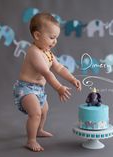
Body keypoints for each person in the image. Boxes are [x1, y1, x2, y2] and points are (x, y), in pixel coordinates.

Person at [13, 12, 82, 152]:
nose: (55, 41)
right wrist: (59, 87)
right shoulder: (34, 53)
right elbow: (47, 73)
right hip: (26, 89)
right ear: (37, 35)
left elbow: (59, 68)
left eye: (56, 38)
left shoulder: (48, 53)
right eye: (51, 37)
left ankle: (39, 130)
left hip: (38, 89)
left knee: (45, 111)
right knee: (36, 113)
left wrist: (72, 79)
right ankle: (31, 140)